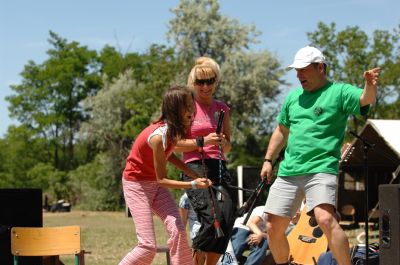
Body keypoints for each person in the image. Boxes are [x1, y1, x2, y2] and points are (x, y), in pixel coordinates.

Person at [259, 46, 380, 265]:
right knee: (272, 226)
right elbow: (280, 131)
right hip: (289, 171)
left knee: (325, 219)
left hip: (321, 169)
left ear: (320, 67)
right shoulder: (293, 97)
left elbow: (365, 99)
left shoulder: (339, 91)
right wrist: (268, 160)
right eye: (297, 70)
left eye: (304, 69)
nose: (298, 75)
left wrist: (369, 85)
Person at [120, 85, 212, 265]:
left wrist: (192, 173)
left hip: (154, 185)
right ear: (175, 109)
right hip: (136, 186)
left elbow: (168, 155)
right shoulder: (158, 136)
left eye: (191, 105)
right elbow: (161, 179)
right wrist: (194, 184)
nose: (192, 110)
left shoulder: (173, 131)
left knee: (178, 232)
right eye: (187, 105)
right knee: (147, 247)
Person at [175, 57, 236, 265]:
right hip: (193, 167)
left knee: (227, 218)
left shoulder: (222, 108)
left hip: (218, 166)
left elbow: (228, 145)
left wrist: (221, 141)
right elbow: (174, 145)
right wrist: (202, 141)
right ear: (193, 83)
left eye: (210, 81)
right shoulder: (187, 107)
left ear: (216, 81)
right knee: (211, 219)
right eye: (200, 82)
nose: (205, 86)